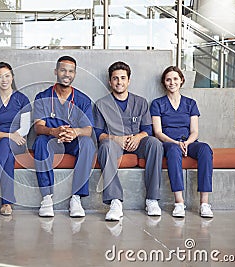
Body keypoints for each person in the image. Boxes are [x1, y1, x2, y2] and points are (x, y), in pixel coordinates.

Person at [94, 61, 163, 221]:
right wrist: (115, 138)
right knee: (105, 146)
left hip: (137, 143)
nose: (119, 82)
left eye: (123, 78)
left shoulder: (140, 102)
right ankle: (115, 201)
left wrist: (138, 137)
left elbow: (148, 130)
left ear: (129, 80)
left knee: (155, 144)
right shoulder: (101, 104)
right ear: (110, 81)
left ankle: (152, 199)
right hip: (114, 144)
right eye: (115, 78)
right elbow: (98, 133)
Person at [32, 56, 95, 218]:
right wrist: (54, 131)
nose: (67, 74)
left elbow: (88, 129)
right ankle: (47, 198)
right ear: (56, 71)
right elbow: (38, 127)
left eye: (71, 71)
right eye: (63, 70)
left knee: (87, 143)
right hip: (51, 140)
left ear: (74, 74)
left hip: (72, 142)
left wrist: (75, 132)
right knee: (40, 142)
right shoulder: (42, 97)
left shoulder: (83, 99)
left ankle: (76, 198)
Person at [150, 66, 213, 218]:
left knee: (205, 149)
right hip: (169, 142)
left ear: (181, 81)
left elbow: (195, 131)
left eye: (175, 79)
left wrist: (187, 143)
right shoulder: (157, 104)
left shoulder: (190, 103)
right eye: (168, 79)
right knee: (173, 150)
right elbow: (158, 132)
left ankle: (204, 203)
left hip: (189, 142)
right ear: (164, 83)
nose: (172, 82)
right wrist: (176, 143)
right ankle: (179, 202)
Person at [0, 62, 31, 216]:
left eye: (7, 76)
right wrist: (7, 136)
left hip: (18, 143)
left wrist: (0, 137)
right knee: (7, 156)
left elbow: (24, 129)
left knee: (5, 145)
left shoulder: (22, 99)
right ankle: (7, 204)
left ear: (12, 78)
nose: (4, 80)